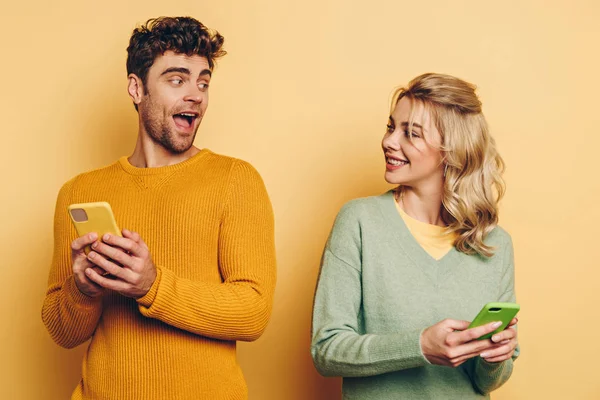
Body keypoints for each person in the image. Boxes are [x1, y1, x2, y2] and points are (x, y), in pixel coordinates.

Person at [41, 16, 276, 400]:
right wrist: (82, 289)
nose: (196, 95)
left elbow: (253, 312)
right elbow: (61, 333)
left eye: (203, 82)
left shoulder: (236, 179)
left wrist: (152, 286)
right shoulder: (79, 191)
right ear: (137, 88)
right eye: (177, 79)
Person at [311, 73, 519, 399]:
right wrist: (419, 345)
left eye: (411, 133)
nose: (389, 141)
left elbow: (486, 382)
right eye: (391, 127)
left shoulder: (494, 244)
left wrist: (497, 356)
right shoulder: (360, 221)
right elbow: (327, 349)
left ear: (451, 150)